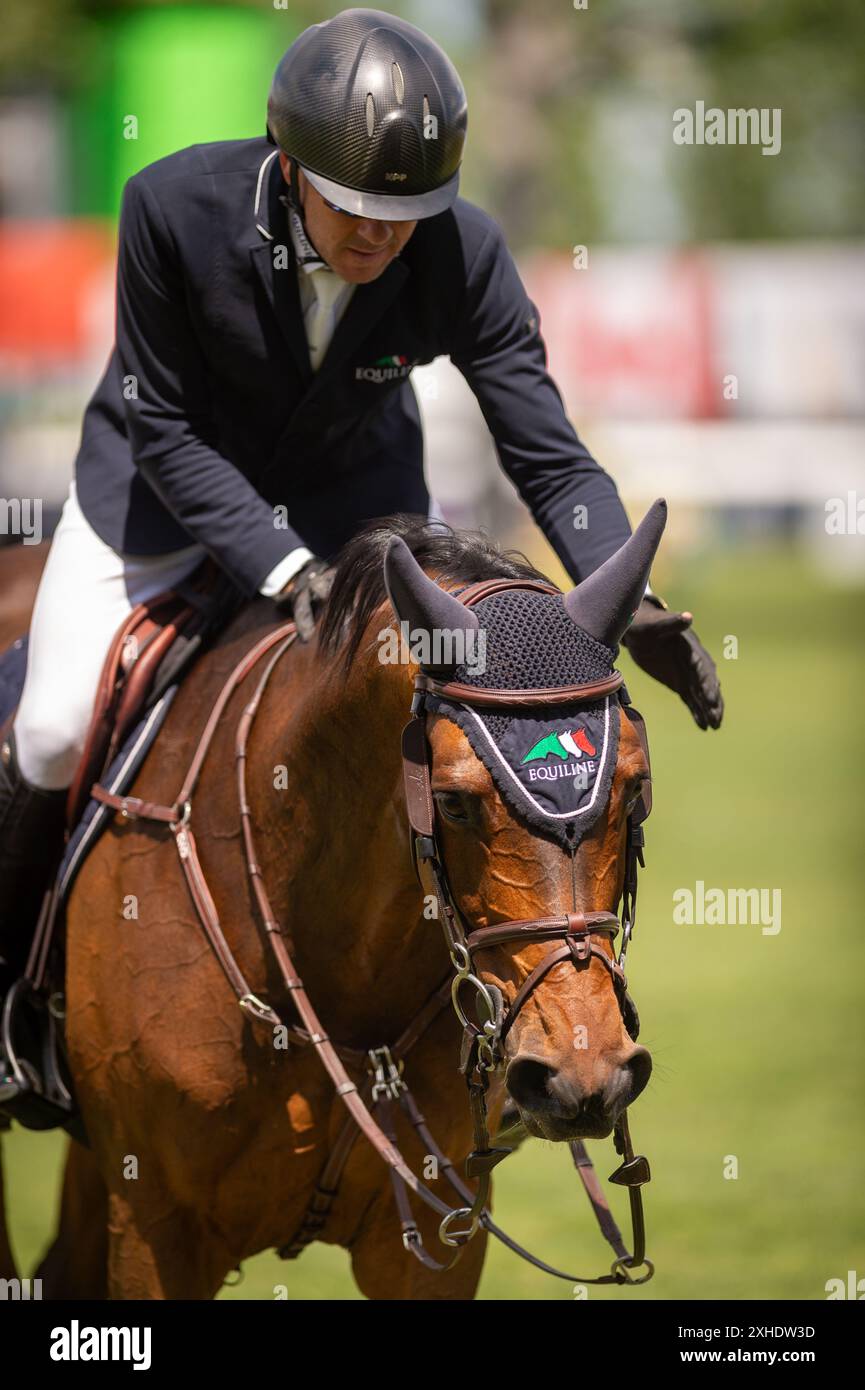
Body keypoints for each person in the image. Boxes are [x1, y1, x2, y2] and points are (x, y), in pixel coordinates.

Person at [0, 9, 722, 994]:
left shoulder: (461, 251)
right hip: (154, 489)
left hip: (359, 506)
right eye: (353, 208)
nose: (381, 233)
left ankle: (461, 1019)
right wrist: (286, 569)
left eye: (408, 210)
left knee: (439, 732)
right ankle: (22, 997)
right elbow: (165, 428)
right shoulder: (169, 209)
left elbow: (545, 456)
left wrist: (623, 601)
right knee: (46, 729)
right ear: (290, 166)